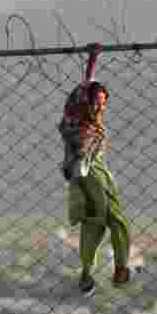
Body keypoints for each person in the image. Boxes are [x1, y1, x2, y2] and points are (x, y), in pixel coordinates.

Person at [59, 75, 132, 296]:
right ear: (85, 102)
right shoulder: (83, 125)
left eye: (103, 103)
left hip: (79, 178)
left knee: (93, 224)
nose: (100, 107)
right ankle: (120, 267)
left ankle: (87, 271)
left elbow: (83, 88)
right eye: (97, 102)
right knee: (117, 221)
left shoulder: (72, 120)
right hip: (94, 176)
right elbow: (82, 150)